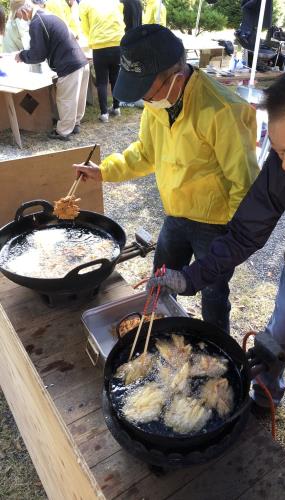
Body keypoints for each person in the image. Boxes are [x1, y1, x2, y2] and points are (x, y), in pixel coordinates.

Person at [148, 65, 285, 470]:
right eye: (277, 150)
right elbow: (244, 233)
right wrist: (193, 276)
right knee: (276, 342)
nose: (282, 166)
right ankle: (266, 393)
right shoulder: (283, 161)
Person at [73, 25, 259, 334]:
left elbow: (245, 184)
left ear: (176, 76)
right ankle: (155, 330)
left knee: (213, 293)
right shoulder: (157, 103)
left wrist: (233, 242)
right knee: (160, 279)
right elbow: (146, 153)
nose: (143, 98)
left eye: (146, 87)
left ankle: (219, 347)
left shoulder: (224, 111)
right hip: (175, 214)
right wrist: (104, 171)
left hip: (214, 224)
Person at [15, 0, 89, 140]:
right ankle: (75, 123)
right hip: (80, 59)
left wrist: (22, 55)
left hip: (68, 64)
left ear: (24, 10)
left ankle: (63, 131)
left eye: (18, 15)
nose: (19, 18)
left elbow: (38, 54)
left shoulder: (36, 23)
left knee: (65, 99)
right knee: (77, 97)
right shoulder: (49, 16)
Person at [79, 0, 124, 123]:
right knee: (115, 77)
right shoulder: (114, 2)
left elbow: (85, 26)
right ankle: (116, 107)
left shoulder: (86, 4)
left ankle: (104, 113)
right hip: (117, 43)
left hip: (99, 46)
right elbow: (121, 19)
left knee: (102, 81)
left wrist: (91, 38)